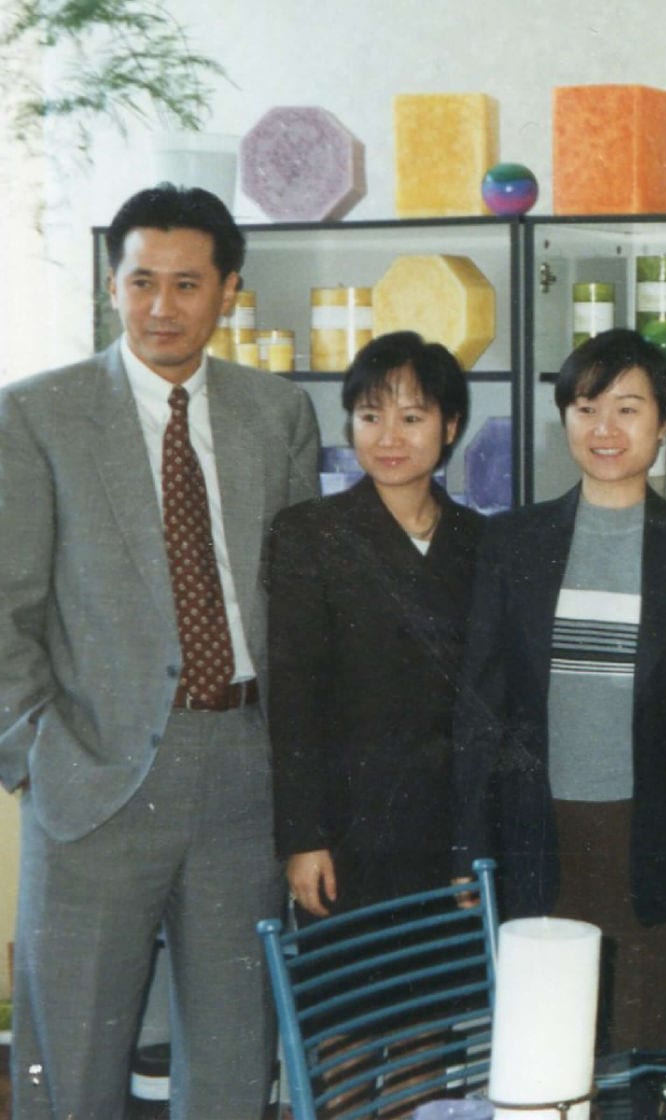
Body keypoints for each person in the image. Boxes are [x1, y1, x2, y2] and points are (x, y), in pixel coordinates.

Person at [0, 184, 320, 1117]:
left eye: (187, 284)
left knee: (230, 1063)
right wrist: (39, 758)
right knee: (75, 1072)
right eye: (142, 282)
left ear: (228, 291)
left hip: (243, 774)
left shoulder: (278, 412)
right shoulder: (36, 417)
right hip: (97, 773)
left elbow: (301, 608)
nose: (162, 307)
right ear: (112, 287)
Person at [455, 329, 666, 1053]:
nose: (604, 429)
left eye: (628, 409)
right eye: (585, 407)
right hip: (539, 833)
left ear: (664, 423)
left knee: (643, 1047)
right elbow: (482, 709)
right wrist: (471, 848)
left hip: (650, 835)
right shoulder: (511, 542)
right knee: (546, 1052)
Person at [268, 331, 482, 919]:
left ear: (451, 427)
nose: (389, 437)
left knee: (437, 1001)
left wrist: (480, 839)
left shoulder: (482, 542)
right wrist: (303, 838)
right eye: (369, 416)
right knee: (351, 1001)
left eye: (412, 417)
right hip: (346, 831)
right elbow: (293, 701)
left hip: (447, 829)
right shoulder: (309, 534)